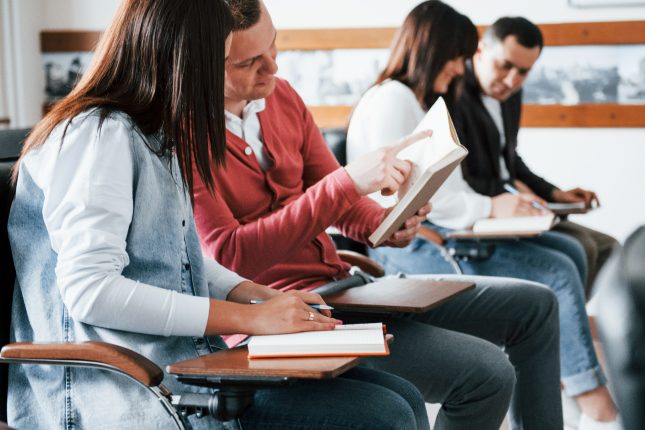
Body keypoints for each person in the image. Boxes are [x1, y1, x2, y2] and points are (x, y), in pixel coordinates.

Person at [7, 1, 428, 429]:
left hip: (178, 367)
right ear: (180, 59)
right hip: (123, 386)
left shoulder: (152, 133)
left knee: (403, 396)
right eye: (220, 62)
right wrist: (251, 318)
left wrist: (259, 296)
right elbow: (91, 291)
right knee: (384, 414)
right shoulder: (97, 136)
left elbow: (178, 255)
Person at [193, 0, 563, 428]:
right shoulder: (186, 132)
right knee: (486, 372)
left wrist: (388, 224)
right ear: (201, 66)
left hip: (345, 286)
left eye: (273, 48)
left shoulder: (283, 99)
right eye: (249, 62)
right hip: (285, 312)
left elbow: (341, 203)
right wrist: (345, 184)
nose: (272, 69)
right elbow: (229, 257)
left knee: (535, 305)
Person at [346, 2, 621, 429]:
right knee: (559, 269)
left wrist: (519, 201)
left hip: (448, 227)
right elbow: (401, 200)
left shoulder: (413, 100)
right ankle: (588, 395)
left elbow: (465, 182)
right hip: (424, 243)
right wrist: (492, 207)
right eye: (458, 57)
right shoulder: (394, 100)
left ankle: (569, 381)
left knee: (569, 257)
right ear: (434, 50)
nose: (460, 69)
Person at [449, 16, 619, 297]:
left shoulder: (510, 95)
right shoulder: (452, 94)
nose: (512, 80)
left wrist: (554, 193)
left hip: (514, 206)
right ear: (480, 51)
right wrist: (513, 192)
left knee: (610, 247)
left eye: (523, 72)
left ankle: (558, 326)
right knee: (584, 248)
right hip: (481, 212)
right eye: (504, 65)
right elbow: (462, 179)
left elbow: (510, 161)